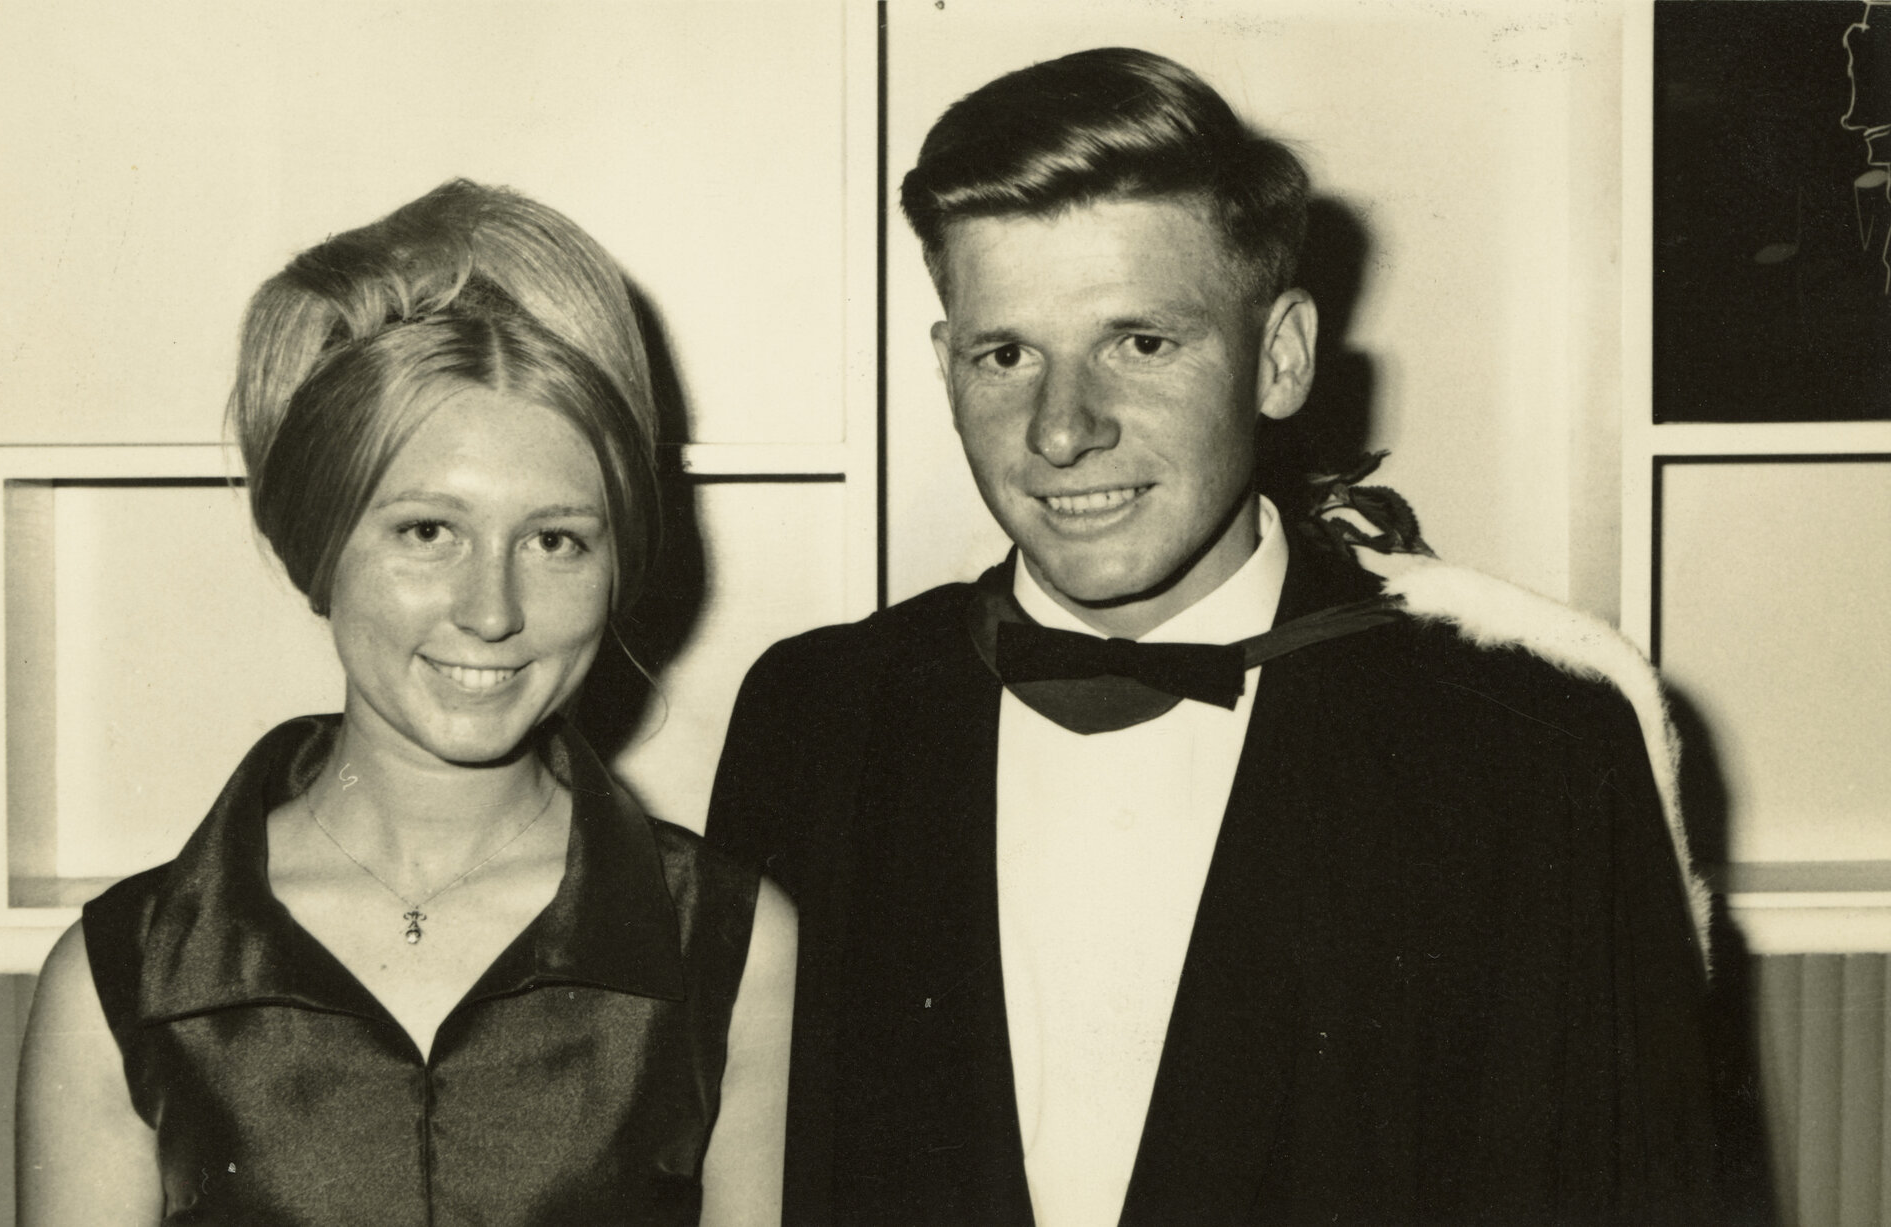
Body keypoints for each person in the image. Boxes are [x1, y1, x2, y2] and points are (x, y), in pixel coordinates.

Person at [705, 48, 1719, 1226]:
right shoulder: (814, 714)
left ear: (1278, 357)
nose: (1063, 429)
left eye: (1140, 342)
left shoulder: (1531, 749)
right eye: (1006, 353)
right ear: (945, 368)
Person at [17, 180, 796, 1227]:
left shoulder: (734, 947)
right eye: (427, 531)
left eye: (556, 540)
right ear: (322, 541)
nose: (492, 611)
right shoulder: (120, 974)